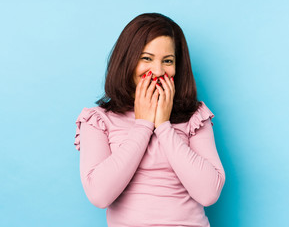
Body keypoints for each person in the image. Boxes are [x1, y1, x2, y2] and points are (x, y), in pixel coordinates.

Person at [74, 12, 226, 227]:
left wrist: (163, 126)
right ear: (127, 61)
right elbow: (99, 196)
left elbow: (209, 193)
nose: (157, 71)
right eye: (146, 58)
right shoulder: (98, 120)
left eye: (168, 61)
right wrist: (143, 125)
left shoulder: (194, 116)